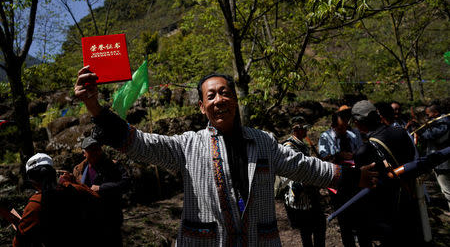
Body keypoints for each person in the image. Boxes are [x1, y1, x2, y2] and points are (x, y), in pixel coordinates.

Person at [74, 68, 377, 246]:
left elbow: (304, 166)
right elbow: (139, 143)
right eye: (211, 96)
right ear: (202, 108)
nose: (219, 99)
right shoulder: (187, 146)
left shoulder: (263, 141)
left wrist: (353, 176)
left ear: (234, 99)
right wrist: (95, 107)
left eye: (225, 93)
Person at [351, 100, 420, 246]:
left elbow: (367, 188)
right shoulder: (401, 132)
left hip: (386, 215)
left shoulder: (363, 152)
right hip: (409, 202)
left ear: (358, 123)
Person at [13, 153, 103, 247]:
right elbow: (97, 199)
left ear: (32, 181)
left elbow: (19, 242)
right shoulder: (74, 189)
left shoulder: (35, 204)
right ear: (53, 174)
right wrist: (73, 182)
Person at [73, 136, 131, 247]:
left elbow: (126, 183)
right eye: (91, 150)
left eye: (97, 148)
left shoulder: (113, 165)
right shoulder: (78, 170)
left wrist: (101, 188)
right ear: (84, 153)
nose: (95, 152)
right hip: (88, 222)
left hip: (110, 220)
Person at [318, 109, 361, 247]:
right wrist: (338, 155)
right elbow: (324, 157)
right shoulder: (325, 137)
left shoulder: (352, 135)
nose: (343, 130)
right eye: (340, 127)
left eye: (345, 127)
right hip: (337, 182)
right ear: (333, 126)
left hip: (354, 179)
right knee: (344, 217)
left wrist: (354, 155)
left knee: (357, 214)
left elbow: (360, 150)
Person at [281, 116, 325, 247]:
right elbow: (297, 172)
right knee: (307, 232)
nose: (306, 131)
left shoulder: (302, 144)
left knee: (319, 228)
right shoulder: (289, 147)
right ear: (296, 129)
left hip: (310, 193)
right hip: (300, 196)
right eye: (303, 128)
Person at [418, 103, 450, 213]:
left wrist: (422, 131)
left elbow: (432, 135)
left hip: (444, 164)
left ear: (435, 113)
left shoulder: (444, 122)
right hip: (442, 163)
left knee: (448, 191)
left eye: (429, 114)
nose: (428, 117)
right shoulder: (440, 122)